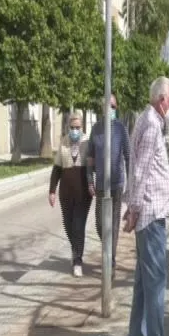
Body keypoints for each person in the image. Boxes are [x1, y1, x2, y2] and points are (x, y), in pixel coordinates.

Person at [122, 76, 169, 336]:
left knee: (143, 286)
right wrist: (132, 209)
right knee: (155, 285)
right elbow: (140, 171)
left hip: (149, 213)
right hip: (150, 217)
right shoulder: (151, 125)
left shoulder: (151, 121)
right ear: (161, 100)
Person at [86, 94, 130, 277]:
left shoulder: (121, 129)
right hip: (101, 186)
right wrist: (89, 180)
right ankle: (107, 248)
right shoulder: (95, 129)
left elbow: (128, 155)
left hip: (116, 184)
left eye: (113, 106)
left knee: (113, 223)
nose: (110, 109)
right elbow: (89, 159)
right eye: (107, 106)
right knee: (99, 224)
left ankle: (110, 261)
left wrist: (132, 183)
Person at [48, 113, 92, 277]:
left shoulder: (87, 143)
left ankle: (77, 261)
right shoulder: (63, 143)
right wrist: (52, 190)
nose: (74, 130)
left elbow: (93, 166)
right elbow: (57, 168)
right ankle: (76, 251)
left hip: (83, 194)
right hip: (66, 194)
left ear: (82, 127)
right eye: (72, 127)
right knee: (68, 225)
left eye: (77, 127)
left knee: (78, 226)